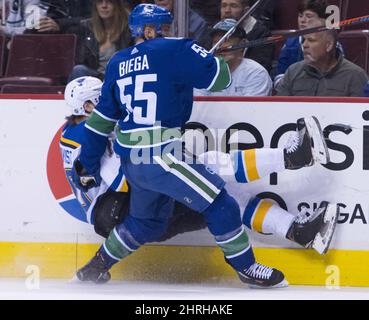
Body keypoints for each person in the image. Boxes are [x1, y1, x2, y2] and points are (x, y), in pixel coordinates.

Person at [71, 4, 336, 288]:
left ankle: (96, 267)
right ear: (148, 30)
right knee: (222, 204)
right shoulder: (176, 49)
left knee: (146, 222)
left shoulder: (117, 62)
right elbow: (220, 78)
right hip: (161, 155)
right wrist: (208, 60)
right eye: (164, 27)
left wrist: (87, 163)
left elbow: (100, 122)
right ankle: (247, 268)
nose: (168, 32)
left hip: (134, 161)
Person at [62, 77, 338, 251]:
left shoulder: (85, 132)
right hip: (127, 215)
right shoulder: (85, 137)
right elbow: (122, 180)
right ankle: (293, 157)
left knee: (221, 192)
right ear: (87, 107)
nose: (114, 102)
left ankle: (300, 231)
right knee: (206, 166)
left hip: (132, 209)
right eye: (103, 98)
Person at [276, 20, 369, 97]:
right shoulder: (292, 72)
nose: (304, 45)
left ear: (329, 45)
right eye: (304, 40)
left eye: (311, 40)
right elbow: (279, 112)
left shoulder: (355, 76)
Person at [195, 19, 272, 97]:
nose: (220, 47)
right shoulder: (205, 72)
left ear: (243, 43)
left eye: (226, 40)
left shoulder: (255, 73)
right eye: (216, 42)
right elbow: (197, 105)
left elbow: (250, 108)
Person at [274, 0, 344, 86]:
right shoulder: (290, 44)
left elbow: (339, 78)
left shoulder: (332, 44)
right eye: (300, 16)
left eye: (309, 16)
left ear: (323, 20)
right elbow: (278, 79)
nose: (302, 20)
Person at [68, 0, 132, 81]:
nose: (104, 6)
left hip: (121, 78)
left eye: (109, 2)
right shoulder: (87, 28)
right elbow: (81, 61)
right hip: (96, 80)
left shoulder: (129, 29)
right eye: (100, 2)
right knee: (79, 70)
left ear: (117, 5)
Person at [219, 0, 274, 73]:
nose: (227, 10)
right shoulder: (214, 30)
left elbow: (260, 68)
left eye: (233, 6)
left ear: (246, 11)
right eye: (224, 5)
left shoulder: (261, 33)